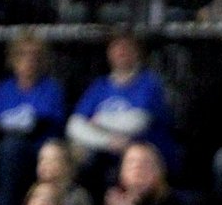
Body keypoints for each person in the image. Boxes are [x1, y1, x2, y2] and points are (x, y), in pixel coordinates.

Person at [0, 32, 66, 205]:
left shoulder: (51, 88)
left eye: (35, 55)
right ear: (13, 59)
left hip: (35, 148)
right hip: (3, 146)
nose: (29, 60)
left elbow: (38, 125)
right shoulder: (4, 89)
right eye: (22, 54)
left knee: (12, 146)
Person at [67, 32, 174, 193]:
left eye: (127, 47)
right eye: (116, 47)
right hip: (105, 151)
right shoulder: (100, 86)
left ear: (138, 52)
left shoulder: (149, 83)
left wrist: (100, 120)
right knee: (78, 156)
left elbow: (137, 122)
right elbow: (75, 125)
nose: (121, 52)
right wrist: (108, 142)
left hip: (146, 151)